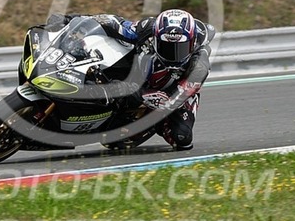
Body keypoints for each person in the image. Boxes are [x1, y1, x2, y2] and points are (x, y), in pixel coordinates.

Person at [48, 9, 215, 151]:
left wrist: (139, 94)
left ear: (192, 43)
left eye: (180, 48)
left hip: (177, 91)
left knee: (182, 138)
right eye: (166, 47)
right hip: (142, 72)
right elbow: (112, 22)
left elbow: (173, 100)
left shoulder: (198, 67)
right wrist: (69, 19)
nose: (173, 54)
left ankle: (154, 123)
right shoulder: (146, 29)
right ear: (156, 38)